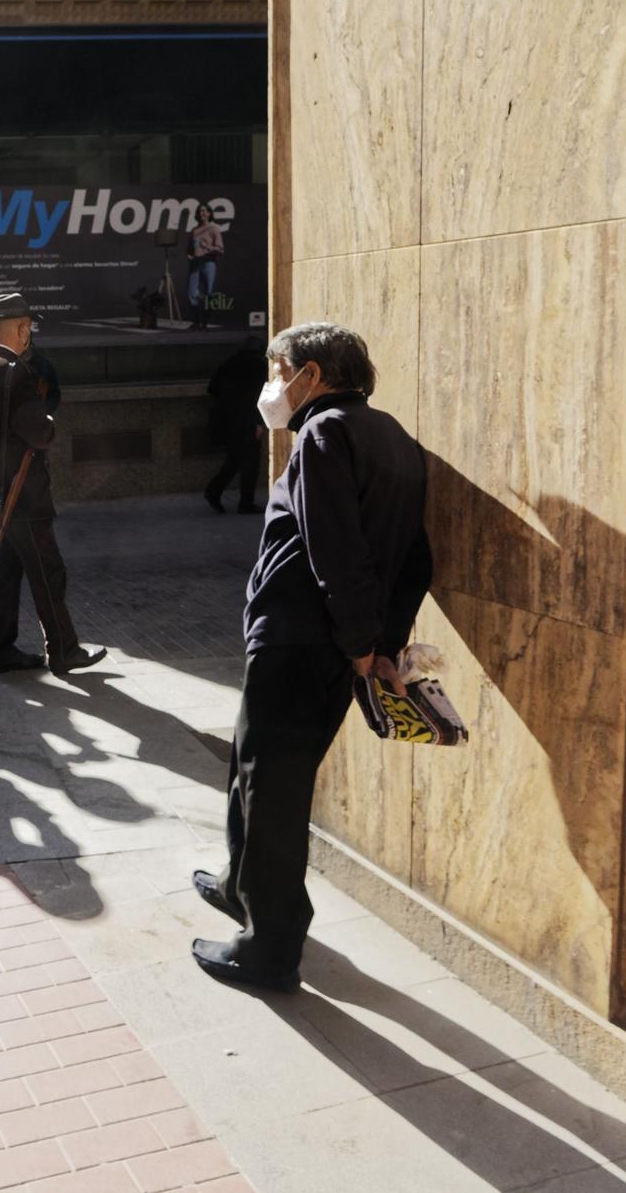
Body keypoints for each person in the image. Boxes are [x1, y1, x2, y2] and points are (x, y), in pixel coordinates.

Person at [192, 322, 431, 993]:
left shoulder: (324, 433)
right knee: (251, 765)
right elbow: (416, 561)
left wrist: (362, 644)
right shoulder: (397, 440)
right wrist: (380, 643)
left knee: (273, 789)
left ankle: (270, 947)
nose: (274, 384)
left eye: (280, 369)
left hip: (301, 642)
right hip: (324, 645)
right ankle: (243, 885)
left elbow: (336, 549)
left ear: (313, 375)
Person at [0, 294, 104, 678]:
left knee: (2, 577)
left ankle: (1, 652)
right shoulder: (14, 372)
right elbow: (40, 432)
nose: (30, 334)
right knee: (47, 574)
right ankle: (64, 650)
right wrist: (49, 422)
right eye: (29, 327)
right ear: (21, 328)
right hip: (22, 497)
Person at [203, 335, 269, 514]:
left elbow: (212, 388)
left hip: (226, 420)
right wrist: (258, 423)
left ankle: (214, 490)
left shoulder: (230, 363)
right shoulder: (259, 365)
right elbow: (257, 397)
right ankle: (245, 502)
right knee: (250, 463)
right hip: (247, 421)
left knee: (235, 459)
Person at [187, 204, 225, 328]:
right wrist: (190, 255)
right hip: (196, 263)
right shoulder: (194, 230)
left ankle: (205, 323)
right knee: (192, 293)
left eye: (204, 211)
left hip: (209, 262)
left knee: (209, 293)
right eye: (199, 211)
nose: (202, 213)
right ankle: (197, 322)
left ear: (209, 213)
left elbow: (220, 250)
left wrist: (207, 247)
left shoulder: (214, 229)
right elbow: (189, 249)